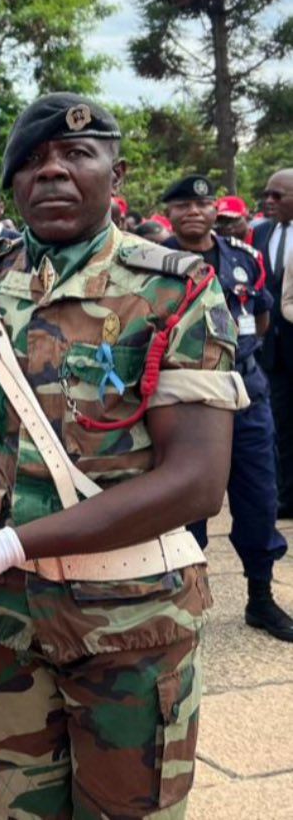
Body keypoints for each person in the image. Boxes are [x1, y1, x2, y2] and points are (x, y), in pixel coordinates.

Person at [0, 93, 246, 819]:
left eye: (77, 154)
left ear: (116, 171)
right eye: (34, 161)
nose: (54, 173)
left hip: (128, 621)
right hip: (3, 621)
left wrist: (9, 543)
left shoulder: (173, 287)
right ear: (12, 184)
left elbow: (196, 483)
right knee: (20, 811)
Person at [161, 174, 293, 640]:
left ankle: (260, 597)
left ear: (216, 211)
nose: (194, 212)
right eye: (183, 206)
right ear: (169, 215)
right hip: (188, 396)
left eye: (203, 204)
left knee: (258, 493)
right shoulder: (155, 264)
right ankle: (186, 599)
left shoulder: (246, 258)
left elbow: (259, 315)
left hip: (245, 389)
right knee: (187, 500)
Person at [253, 169, 293, 519]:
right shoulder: (261, 233)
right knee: (280, 423)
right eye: (267, 195)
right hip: (274, 350)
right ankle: (286, 496)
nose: (269, 202)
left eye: (277, 196)